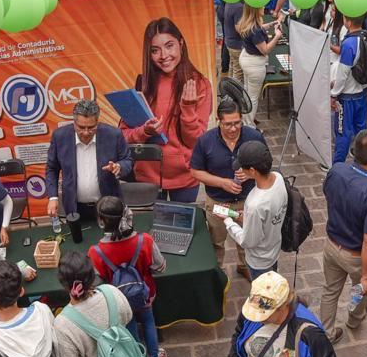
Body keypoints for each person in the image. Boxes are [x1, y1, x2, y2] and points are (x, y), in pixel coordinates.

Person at [121, 18, 212, 202]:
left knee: (181, 228)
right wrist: (144, 131)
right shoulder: (143, 84)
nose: (163, 55)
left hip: (185, 177)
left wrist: (187, 108)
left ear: (181, 43)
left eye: (169, 46)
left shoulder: (200, 84)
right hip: (146, 177)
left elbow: (195, 141)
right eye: (155, 50)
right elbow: (124, 135)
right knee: (151, 229)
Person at [319, 129, 367, 344]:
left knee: (330, 291)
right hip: (356, 255)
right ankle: (355, 319)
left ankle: (326, 333)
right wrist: (366, 276)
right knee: (360, 288)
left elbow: (327, 193)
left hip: (332, 245)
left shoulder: (337, 170)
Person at [189, 98, 266, 275]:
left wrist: (250, 174)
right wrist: (222, 183)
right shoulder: (205, 141)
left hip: (248, 201)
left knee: (247, 239)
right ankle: (218, 273)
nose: (233, 129)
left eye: (237, 123)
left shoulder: (254, 137)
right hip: (218, 204)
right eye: (228, 124)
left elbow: (266, 165)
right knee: (216, 241)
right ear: (218, 121)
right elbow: (195, 172)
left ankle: (245, 266)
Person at [91, 196, 167, 357]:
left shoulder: (95, 252)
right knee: (149, 322)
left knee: (130, 326)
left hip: (119, 301)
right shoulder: (145, 240)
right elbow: (161, 266)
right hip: (145, 293)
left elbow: (98, 284)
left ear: (101, 221)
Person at [46, 99, 132, 222]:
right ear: (74, 122)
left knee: (111, 239)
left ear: (97, 121)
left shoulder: (114, 135)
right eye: (81, 127)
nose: (86, 133)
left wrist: (119, 166)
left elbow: (127, 160)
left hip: (108, 206)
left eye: (91, 127)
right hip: (74, 207)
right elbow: (52, 169)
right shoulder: (60, 137)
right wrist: (53, 197)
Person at [215, 140, 286, 279]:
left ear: (253, 170)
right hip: (274, 249)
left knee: (263, 297)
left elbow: (248, 242)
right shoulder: (278, 178)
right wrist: (246, 217)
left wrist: (228, 220)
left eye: (243, 167)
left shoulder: (255, 204)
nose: (240, 170)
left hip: (259, 261)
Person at [330, 14, 367, 165]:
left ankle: (338, 165)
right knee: (361, 129)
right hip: (363, 92)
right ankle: (361, 161)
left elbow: (343, 73)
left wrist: (333, 95)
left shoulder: (349, 44)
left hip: (346, 97)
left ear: (348, 21)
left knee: (343, 133)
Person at [235, 6, 284, 126]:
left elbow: (257, 30)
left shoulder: (248, 22)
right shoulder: (255, 30)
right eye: (261, 6)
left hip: (246, 58)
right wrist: (277, 36)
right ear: (255, 10)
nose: (264, 7)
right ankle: (249, 126)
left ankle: (245, 118)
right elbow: (265, 50)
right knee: (253, 98)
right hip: (254, 65)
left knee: (247, 91)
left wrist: (271, 24)